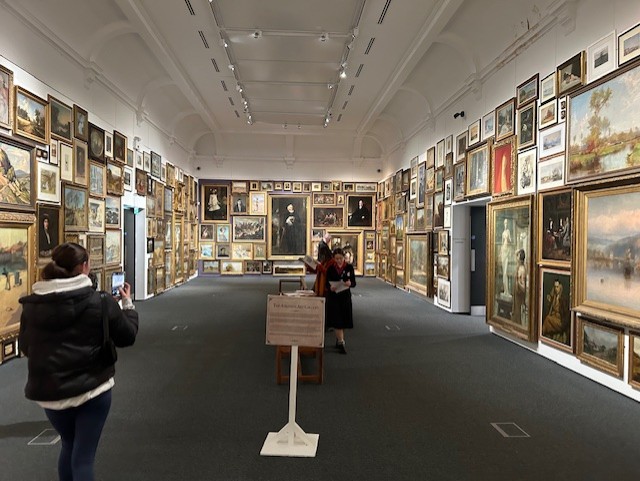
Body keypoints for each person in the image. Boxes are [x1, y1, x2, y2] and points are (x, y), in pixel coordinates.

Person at [19, 243, 138, 481]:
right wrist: (128, 305)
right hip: (92, 390)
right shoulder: (101, 301)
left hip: (52, 393)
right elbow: (127, 336)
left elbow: (25, 347)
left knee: (68, 445)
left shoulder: (32, 305)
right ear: (84, 267)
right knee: (83, 458)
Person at [325, 247, 356, 354]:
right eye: (336, 259)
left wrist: (350, 283)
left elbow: (354, 282)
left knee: (343, 321)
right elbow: (326, 283)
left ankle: (339, 339)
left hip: (345, 297)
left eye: (340, 258)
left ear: (344, 257)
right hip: (334, 297)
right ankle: (341, 342)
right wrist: (330, 287)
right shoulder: (330, 269)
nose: (338, 261)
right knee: (337, 321)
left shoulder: (349, 268)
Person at [511, 248, 527, 325]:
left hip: (519, 296)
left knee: (518, 315)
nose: (516, 257)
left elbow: (523, 288)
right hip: (516, 296)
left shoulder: (522, 269)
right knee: (515, 314)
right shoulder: (519, 267)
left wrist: (518, 283)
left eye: (517, 256)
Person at [500, 218, 512, 295]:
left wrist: (508, 239)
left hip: (507, 251)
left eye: (506, 223)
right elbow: (502, 243)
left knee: (505, 272)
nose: (505, 224)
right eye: (504, 223)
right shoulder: (503, 233)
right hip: (503, 251)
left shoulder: (508, 232)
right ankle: (505, 291)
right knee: (503, 273)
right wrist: (500, 252)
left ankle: (507, 291)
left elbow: (510, 241)